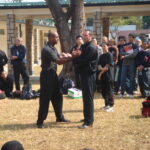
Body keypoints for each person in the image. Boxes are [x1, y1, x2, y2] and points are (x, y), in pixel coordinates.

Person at [37, 31, 74, 128]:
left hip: (53, 76)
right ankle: (40, 121)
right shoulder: (47, 49)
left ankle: (59, 117)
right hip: (46, 76)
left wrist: (68, 55)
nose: (58, 38)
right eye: (56, 37)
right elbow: (58, 61)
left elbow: (59, 57)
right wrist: (72, 57)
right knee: (45, 99)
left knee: (58, 96)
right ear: (50, 38)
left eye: (58, 37)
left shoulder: (53, 48)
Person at [72, 30, 98, 129]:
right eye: (83, 35)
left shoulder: (91, 47)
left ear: (90, 36)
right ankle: (86, 117)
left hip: (88, 75)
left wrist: (75, 57)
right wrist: (75, 56)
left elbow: (83, 60)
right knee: (85, 98)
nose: (83, 37)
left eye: (86, 35)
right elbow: (78, 56)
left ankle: (89, 121)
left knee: (88, 98)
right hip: (83, 74)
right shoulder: (85, 46)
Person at [119, 33, 139, 98]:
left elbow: (134, 55)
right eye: (128, 37)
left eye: (130, 37)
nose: (129, 38)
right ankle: (122, 93)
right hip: (124, 64)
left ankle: (130, 93)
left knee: (131, 79)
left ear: (134, 38)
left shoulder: (136, 46)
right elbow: (121, 52)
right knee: (122, 79)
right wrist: (129, 53)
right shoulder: (125, 45)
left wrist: (125, 56)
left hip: (132, 64)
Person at [98, 42, 114, 112]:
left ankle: (111, 105)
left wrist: (100, 73)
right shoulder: (101, 56)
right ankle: (106, 105)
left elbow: (106, 67)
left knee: (109, 91)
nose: (104, 47)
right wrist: (101, 70)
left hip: (108, 75)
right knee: (104, 91)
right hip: (103, 76)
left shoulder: (109, 55)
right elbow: (99, 66)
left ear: (107, 46)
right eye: (102, 46)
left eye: (105, 46)